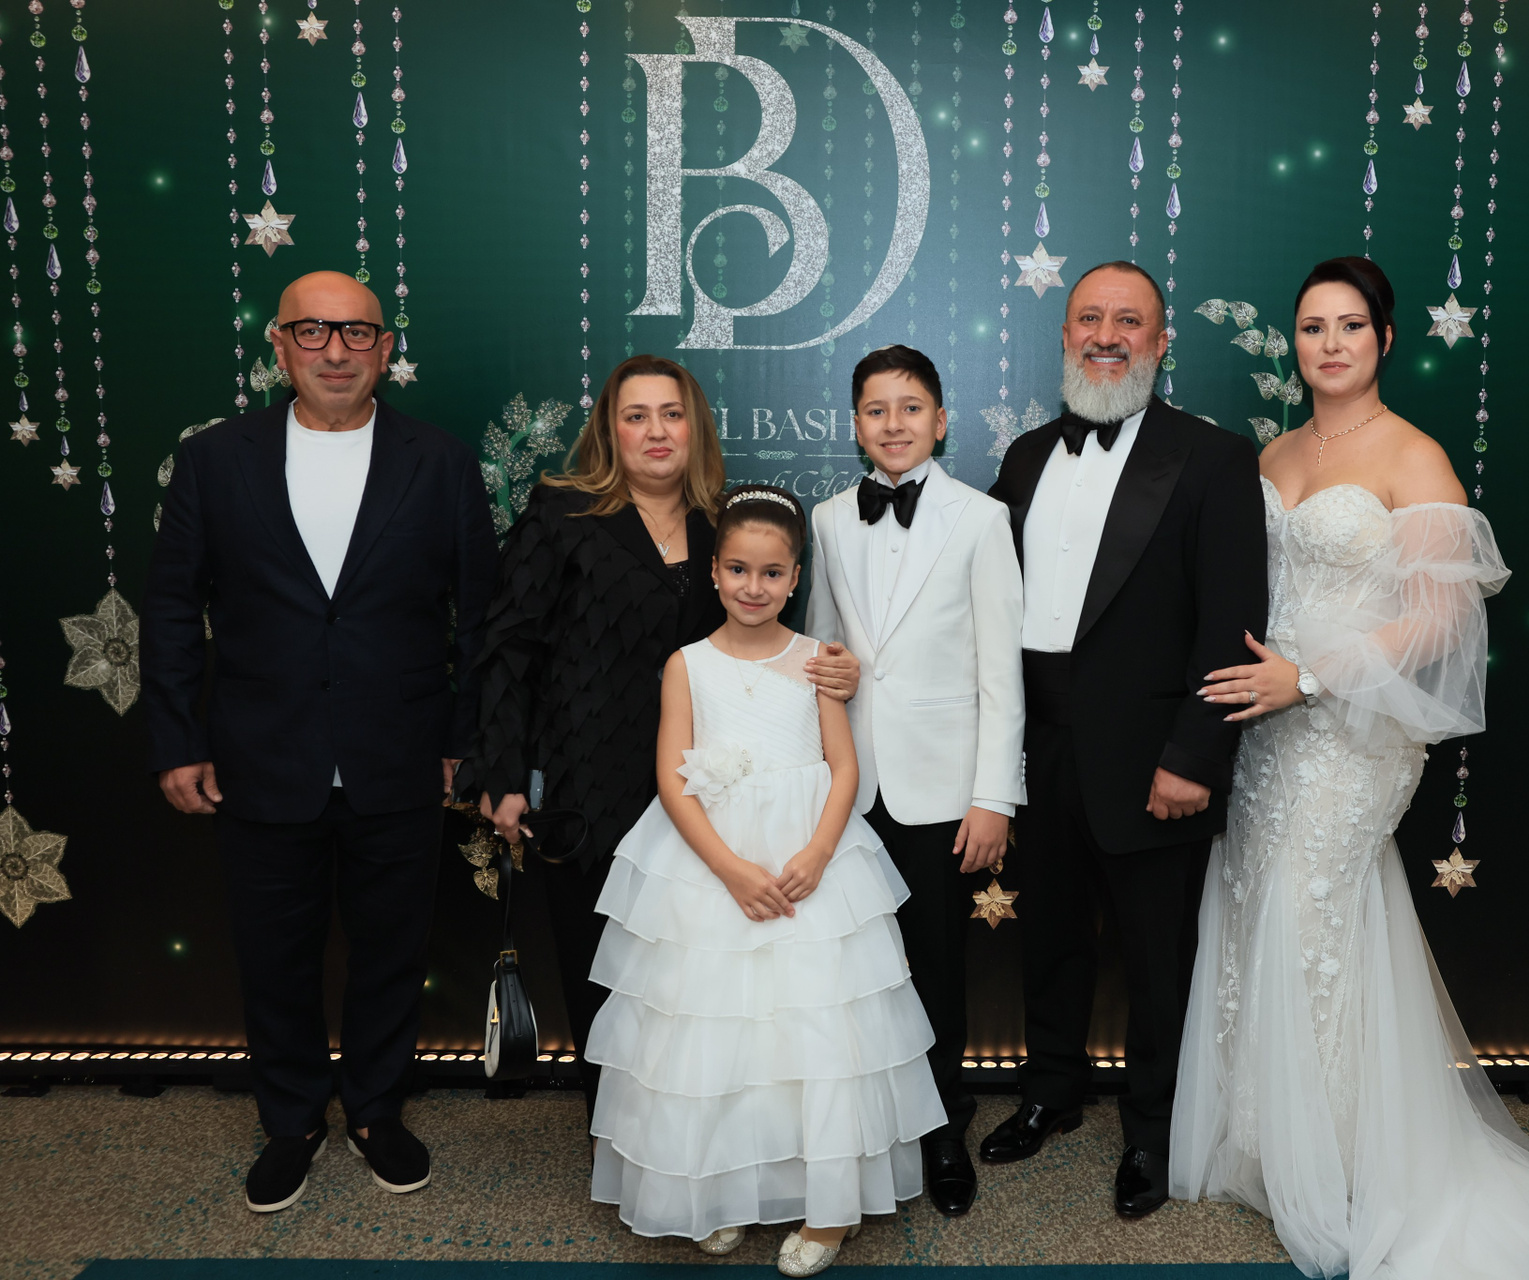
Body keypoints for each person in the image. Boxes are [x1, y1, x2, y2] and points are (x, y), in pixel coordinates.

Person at [1168, 256, 1529, 1278]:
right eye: (1311, 327)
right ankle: (1272, 1139)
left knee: (1310, 913)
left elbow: (1441, 620)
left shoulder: (1415, 455)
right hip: (1264, 729)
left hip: (1350, 731)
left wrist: (1311, 678)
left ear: (1384, 338)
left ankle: (1343, 1156)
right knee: (1256, 908)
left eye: (1349, 325)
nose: (1329, 344)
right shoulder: (1273, 450)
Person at [141, 271, 497, 1212]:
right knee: (274, 955)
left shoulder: (442, 461)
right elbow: (172, 611)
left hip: (403, 755)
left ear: (386, 348)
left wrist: (466, 738)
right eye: (312, 331)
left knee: (392, 950)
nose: (335, 350)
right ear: (279, 344)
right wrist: (176, 740)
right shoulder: (213, 460)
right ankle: (292, 1120)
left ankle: (377, 1111)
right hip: (259, 756)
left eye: (356, 332)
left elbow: (480, 619)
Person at [467, 355, 859, 1121]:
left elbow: (772, 642)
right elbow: (509, 647)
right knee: (602, 973)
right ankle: (617, 1137)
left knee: (700, 981)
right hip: (589, 786)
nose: (656, 431)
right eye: (636, 415)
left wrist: (836, 667)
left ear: (695, 427)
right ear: (610, 431)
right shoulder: (561, 515)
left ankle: (699, 1142)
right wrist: (504, 772)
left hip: (709, 794)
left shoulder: (724, 527)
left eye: (671, 415)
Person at [585, 485, 944, 1277]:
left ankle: (829, 1208)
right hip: (713, 865)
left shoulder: (817, 662)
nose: (754, 586)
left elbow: (842, 767)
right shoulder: (686, 665)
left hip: (808, 863)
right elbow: (671, 779)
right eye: (739, 570)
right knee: (714, 1032)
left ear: (795, 577)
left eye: (772, 573)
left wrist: (818, 852)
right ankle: (718, 1189)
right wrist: (730, 869)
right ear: (714, 571)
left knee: (816, 1030)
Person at [982, 261, 1268, 1218]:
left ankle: (1153, 1130)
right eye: (1089, 319)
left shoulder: (1213, 457)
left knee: (1156, 961)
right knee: (1050, 939)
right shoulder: (1026, 456)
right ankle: (1051, 1092)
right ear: (1066, 334)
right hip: (1039, 747)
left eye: (1128, 321)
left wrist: (1193, 757)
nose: (1106, 336)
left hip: (1154, 758)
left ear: (1160, 341)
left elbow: (1232, 623)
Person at [803, 344, 1025, 1218]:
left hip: (941, 789)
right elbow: (823, 652)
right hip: (851, 788)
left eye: (910, 408)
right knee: (855, 965)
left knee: (934, 963)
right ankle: (863, 1127)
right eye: (875, 410)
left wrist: (993, 796)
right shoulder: (828, 519)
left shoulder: (982, 518)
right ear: (855, 425)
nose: (893, 424)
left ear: (940, 420)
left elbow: (1001, 672)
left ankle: (942, 1129)